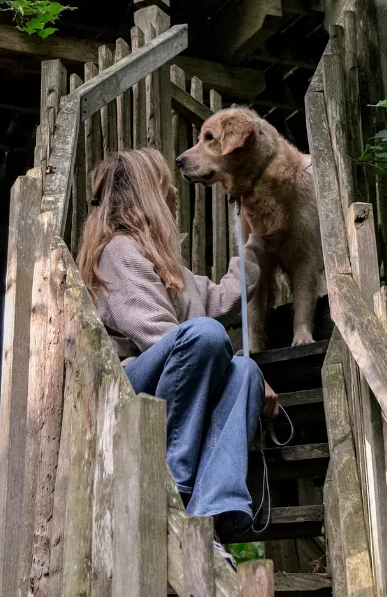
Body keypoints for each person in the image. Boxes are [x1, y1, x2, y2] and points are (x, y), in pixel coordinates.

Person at [75, 148, 277, 557]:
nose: (174, 191)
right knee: (204, 336)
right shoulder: (117, 252)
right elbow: (164, 336)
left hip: (169, 376)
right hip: (126, 392)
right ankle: (174, 485)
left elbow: (222, 298)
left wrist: (256, 242)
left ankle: (210, 513)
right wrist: (207, 342)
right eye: (165, 183)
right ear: (148, 193)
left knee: (246, 371)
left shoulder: (165, 263)